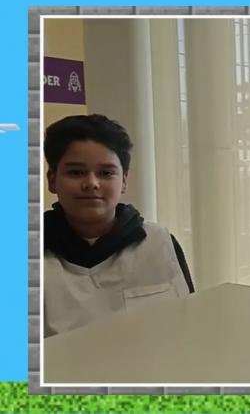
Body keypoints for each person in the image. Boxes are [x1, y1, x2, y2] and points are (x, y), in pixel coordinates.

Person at [43, 114, 194, 337]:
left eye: (106, 173)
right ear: (52, 180)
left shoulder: (159, 243)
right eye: (76, 172)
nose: (91, 183)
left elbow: (187, 325)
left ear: (123, 181)